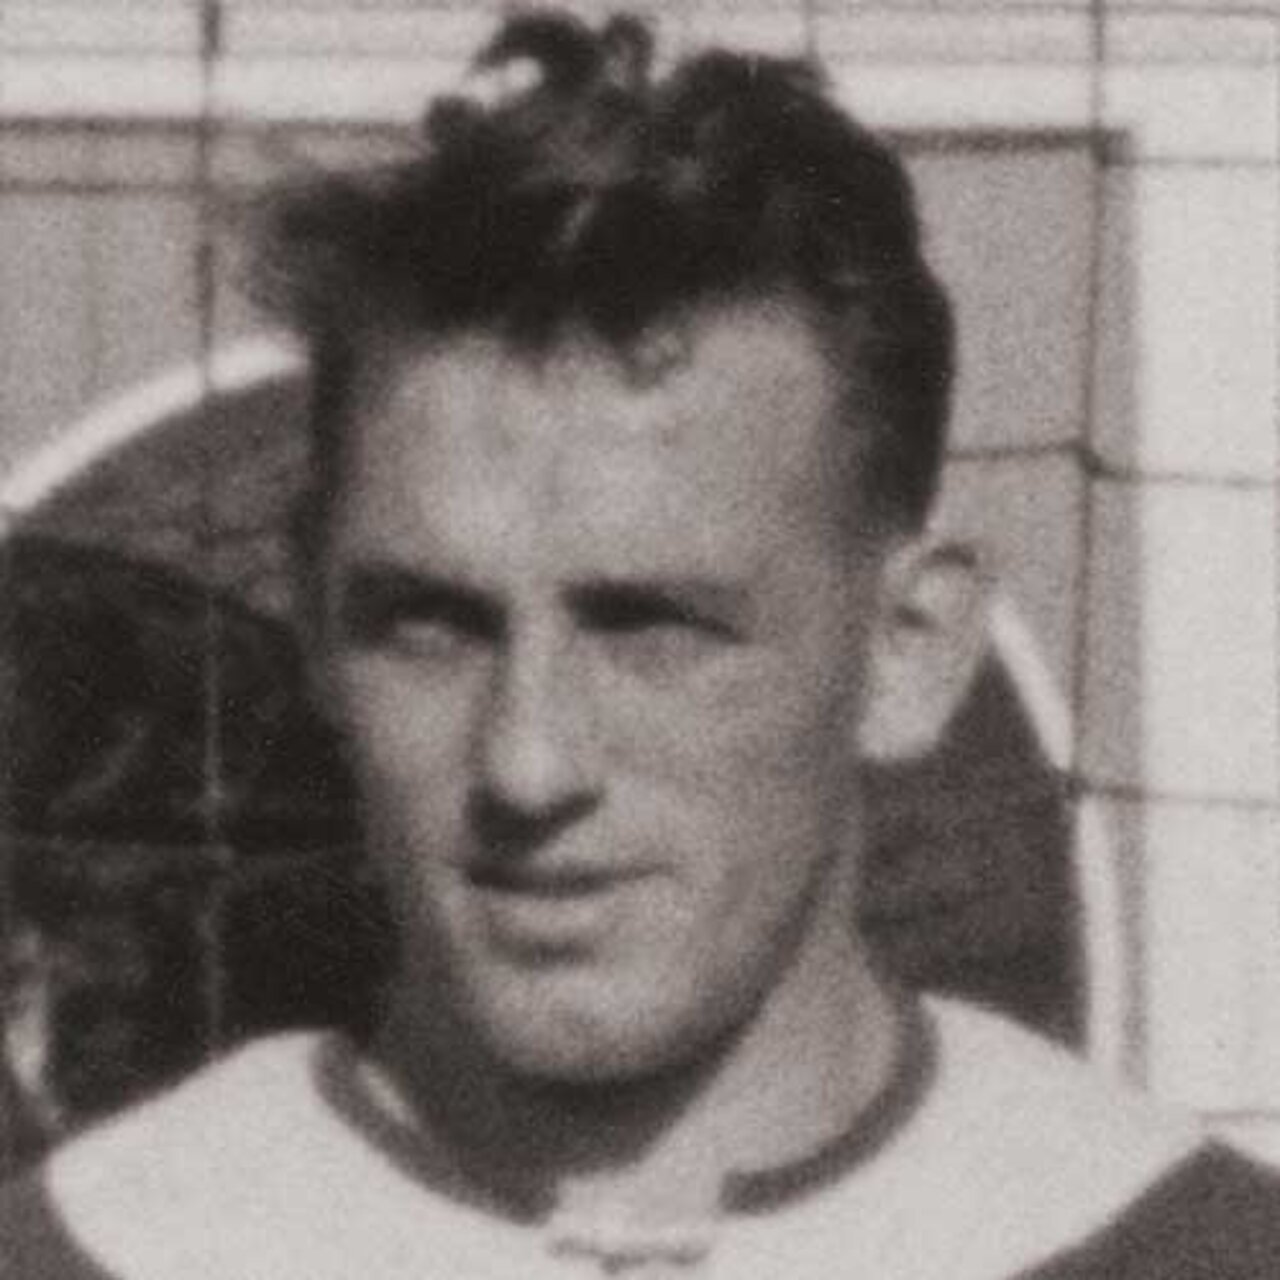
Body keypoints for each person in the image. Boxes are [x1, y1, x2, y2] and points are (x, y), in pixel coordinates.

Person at [2, 9, 1278, 1277]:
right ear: (318, 623)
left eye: (652, 626)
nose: (527, 765)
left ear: (910, 646)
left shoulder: (1200, 1249)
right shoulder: (84, 1250)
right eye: (430, 624)